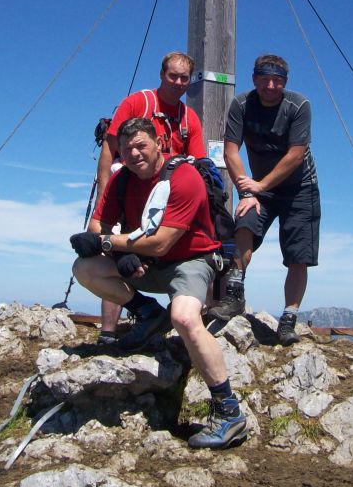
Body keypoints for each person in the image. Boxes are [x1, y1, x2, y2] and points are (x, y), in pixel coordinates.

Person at [71, 117, 247, 450]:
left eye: (141, 145)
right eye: (127, 149)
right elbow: (98, 224)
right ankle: (148, 313)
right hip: (149, 260)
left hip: (191, 261)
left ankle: (229, 411)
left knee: (183, 317)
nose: (134, 154)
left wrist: (112, 245)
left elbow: (162, 242)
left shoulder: (184, 178)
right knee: (85, 268)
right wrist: (116, 248)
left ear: (159, 144)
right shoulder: (122, 180)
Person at [94, 52, 206, 346]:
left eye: (185, 78)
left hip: (167, 198)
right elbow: (110, 149)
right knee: (115, 250)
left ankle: (171, 321)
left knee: (149, 251)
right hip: (129, 192)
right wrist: (105, 199)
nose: (179, 83)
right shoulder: (137, 103)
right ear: (161, 74)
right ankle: (109, 331)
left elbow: (199, 163)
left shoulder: (188, 118)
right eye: (173, 76)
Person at [211, 53, 320, 346]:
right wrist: (248, 191)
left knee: (299, 256)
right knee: (244, 224)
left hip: (300, 188)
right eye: (265, 78)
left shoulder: (298, 105)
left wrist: (259, 185)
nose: (271, 85)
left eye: (278, 80)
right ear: (254, 78)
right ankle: (234, 293)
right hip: (260, 188)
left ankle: (287, 321)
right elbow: (230, 151)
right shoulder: (242, 105)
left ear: (285, 82)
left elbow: (296, 155)